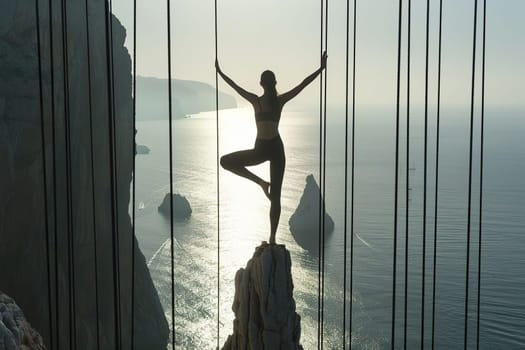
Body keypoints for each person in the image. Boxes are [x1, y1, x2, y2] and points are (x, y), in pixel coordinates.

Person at [216, 52, 327, 244]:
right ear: (273, 83)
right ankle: (261, 185)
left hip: (269, 149)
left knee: (228, 163)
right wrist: (321, 68)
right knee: (272, 195)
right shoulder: (273, 101)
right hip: (271, 148)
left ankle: (272, 235)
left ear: (263, 83)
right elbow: (303, 83)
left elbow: (234, 85)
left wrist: (220, 72)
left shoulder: (260, 100)